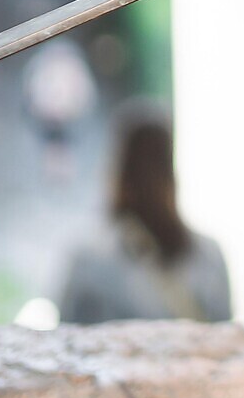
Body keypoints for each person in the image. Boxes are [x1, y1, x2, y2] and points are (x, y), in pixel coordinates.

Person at [59, 115, 233, 324]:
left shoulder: (88, 260)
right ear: (171, 171)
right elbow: (224, 339)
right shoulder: (209, 256)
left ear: (118, 169)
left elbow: (70, 337)